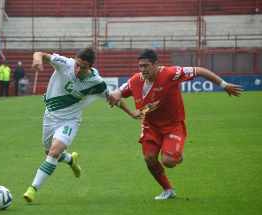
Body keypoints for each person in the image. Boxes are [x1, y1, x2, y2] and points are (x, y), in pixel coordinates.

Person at [109, 49, 243, 200]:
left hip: (173, 125)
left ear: (155, 65)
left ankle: (176, 155)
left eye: (146, 66)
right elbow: (117, 95)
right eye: (140, 66)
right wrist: (124, 106)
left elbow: (199, 70)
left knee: (169, 162)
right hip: (150, 126)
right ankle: (168, 190)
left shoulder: (171, 74)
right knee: (149, 159)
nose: (142, 70)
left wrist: (224, 85)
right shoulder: (135, 80)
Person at [23, 47, 116, 203]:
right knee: (49, 151)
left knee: (53, 152)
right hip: (50, 116)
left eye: (83, 67)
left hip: (70, 120)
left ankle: (32, 189)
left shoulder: (97, 82)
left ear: (90, 67)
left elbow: (113, 99)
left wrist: (132, 113)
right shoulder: (65, 63)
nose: (78, 69)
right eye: (77, 65)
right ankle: (70, 160)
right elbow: (40, 54)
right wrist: (37, 60)